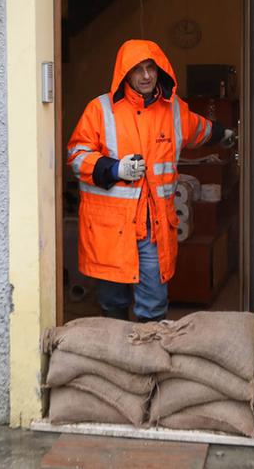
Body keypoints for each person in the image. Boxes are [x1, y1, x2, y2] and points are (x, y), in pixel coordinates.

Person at [66, 39, 236, 322]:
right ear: (125, 74)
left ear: (160, 71)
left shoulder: (174, 110)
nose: (146, 76)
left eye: (151, 68)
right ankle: (117, 361)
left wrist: (225, 135)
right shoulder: (99, 110)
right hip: (112, 228)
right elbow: (76, 156)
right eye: (138, 69)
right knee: (112, 304)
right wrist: (114, 169)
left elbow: (200, 128)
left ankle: (149, 364)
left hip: (153, 226)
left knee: (153, 307)